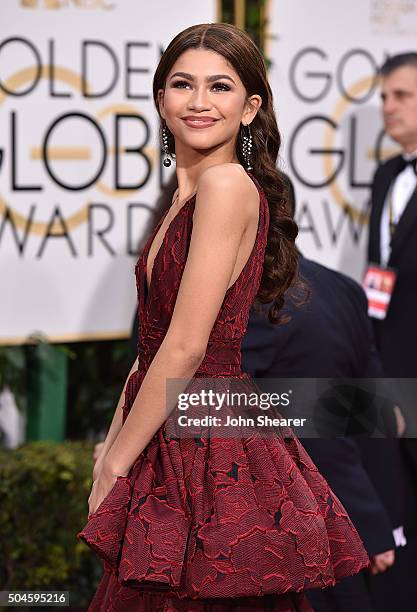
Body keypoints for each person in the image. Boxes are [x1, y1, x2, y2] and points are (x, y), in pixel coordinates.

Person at [78, 23, 368, 611]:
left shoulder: (225, 184)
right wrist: (110, 447)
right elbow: (151, 347)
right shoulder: (186, 192)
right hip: (173, 423)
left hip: (205, 434)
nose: (200, 102)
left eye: (220, 87)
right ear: (161, 98)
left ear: (249, 107)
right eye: (183, 84)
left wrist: (116, 462)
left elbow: (185, 347)